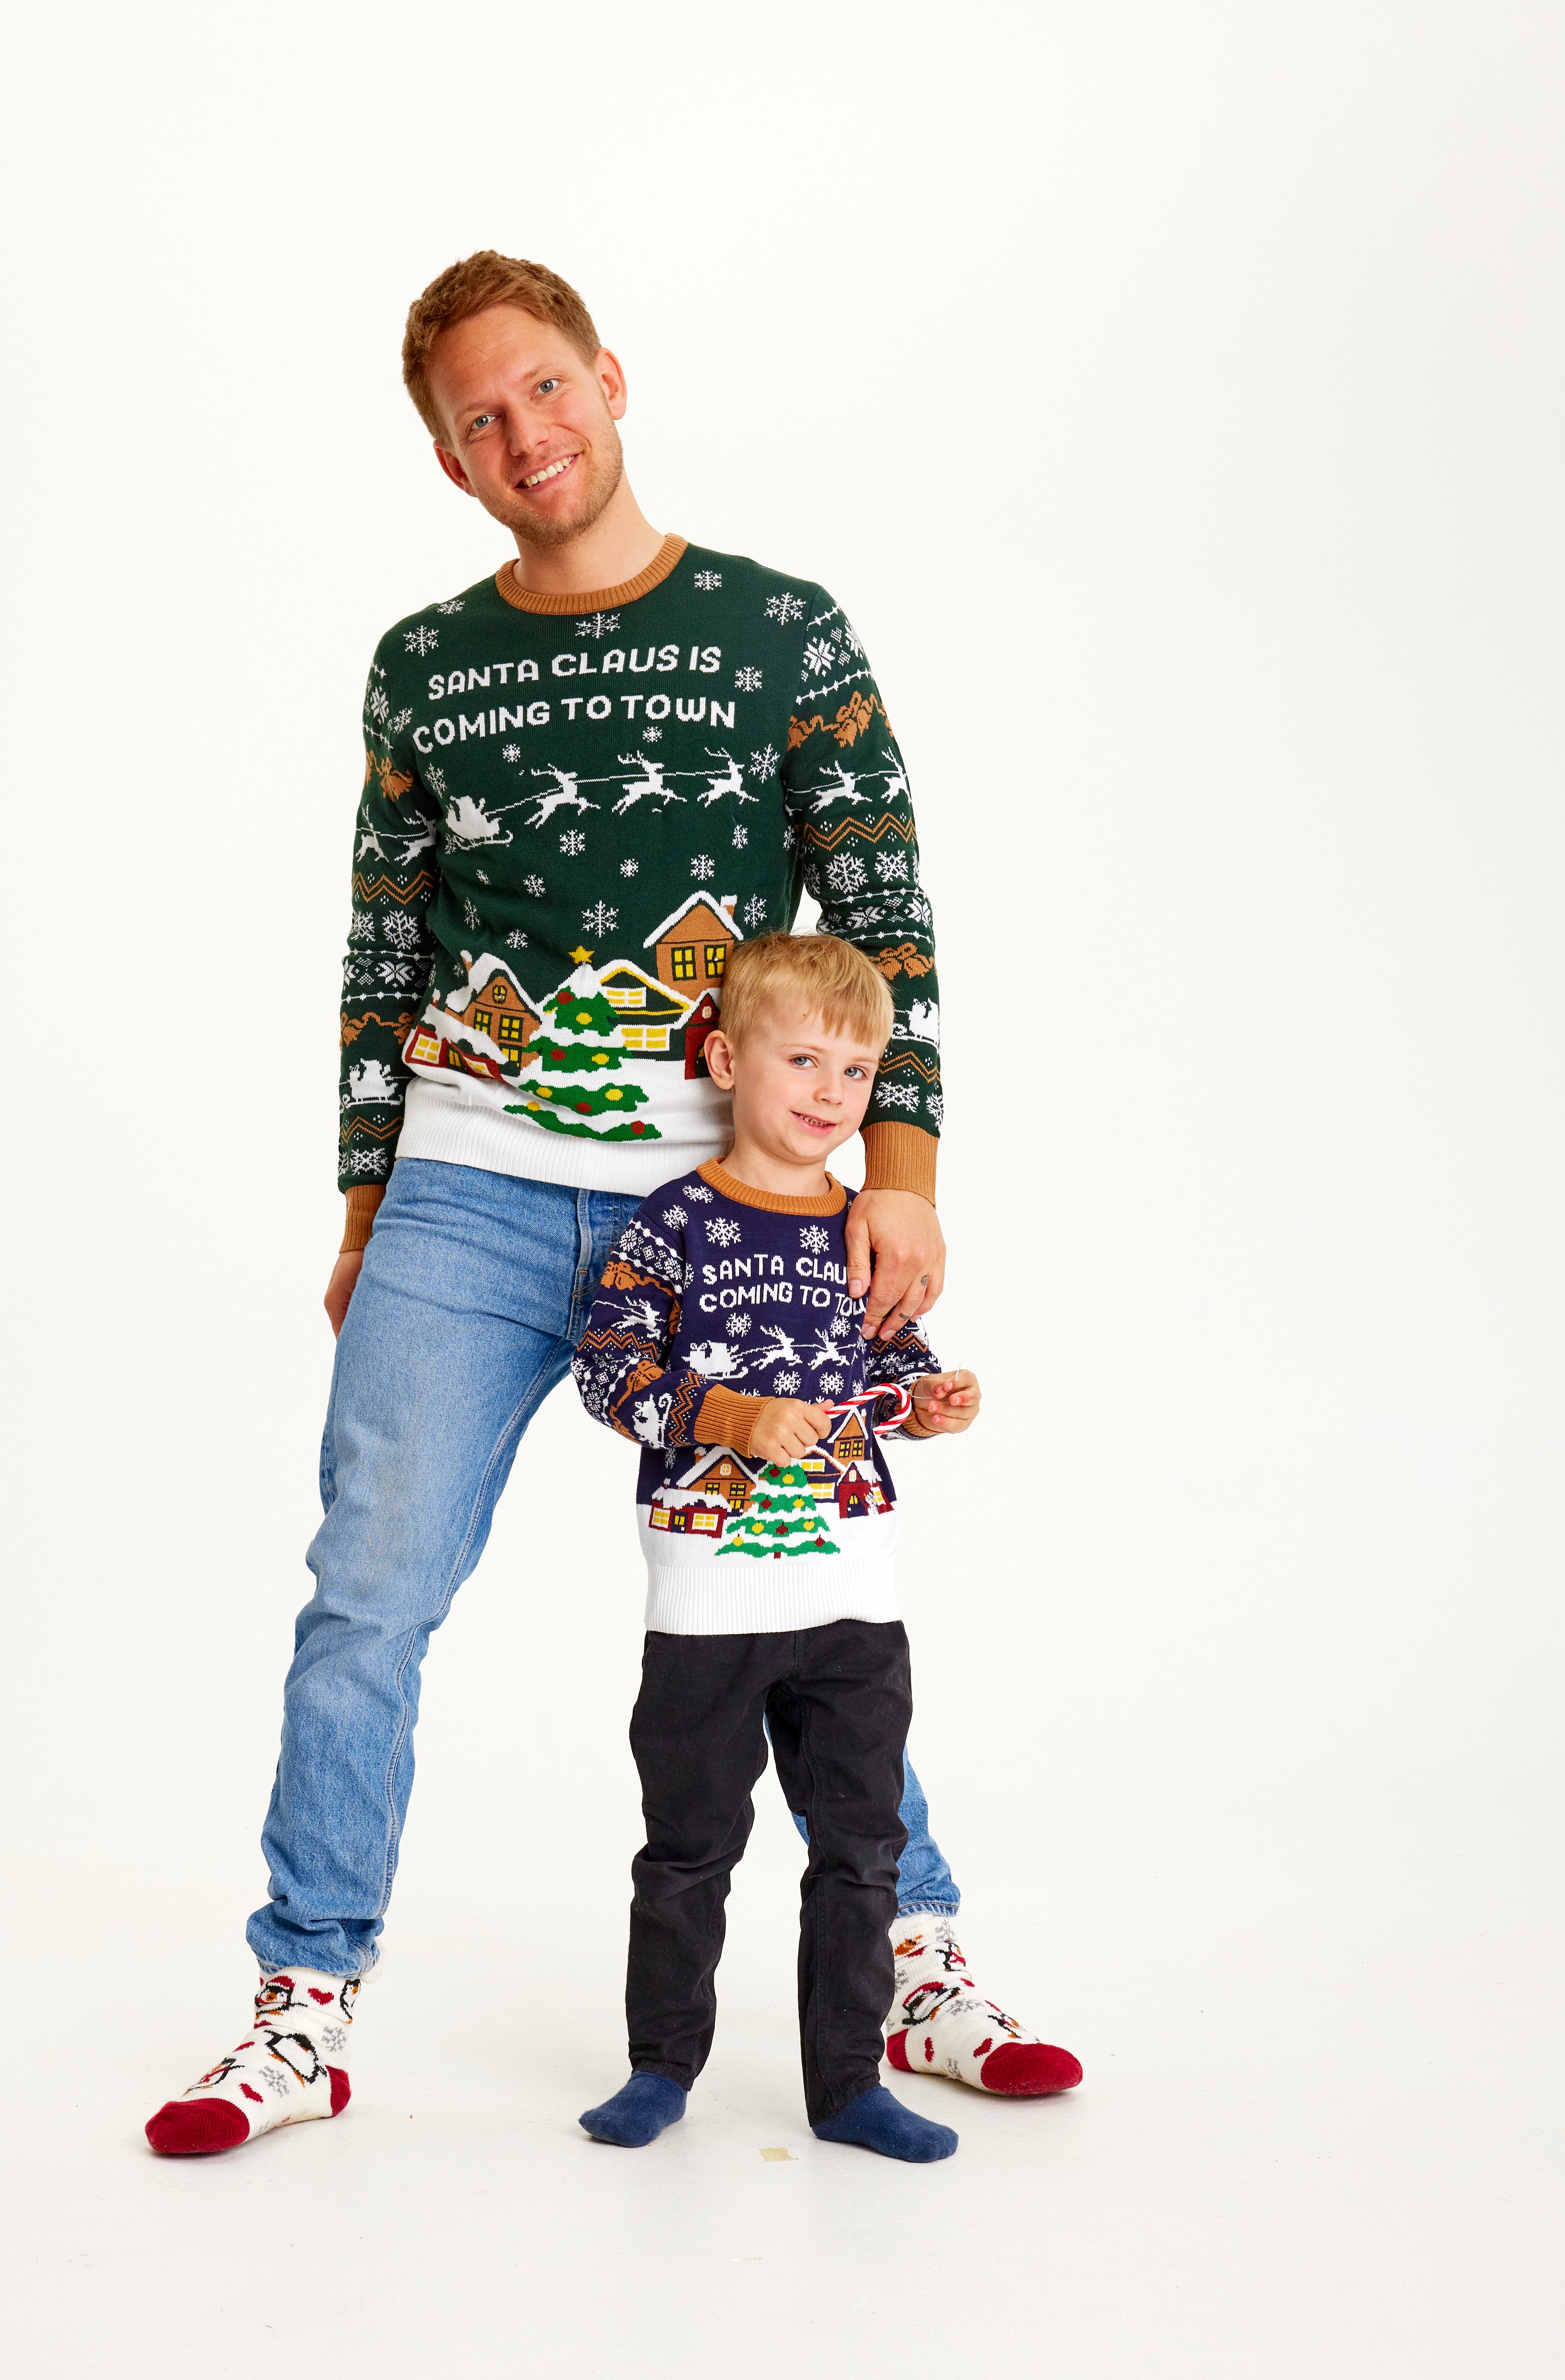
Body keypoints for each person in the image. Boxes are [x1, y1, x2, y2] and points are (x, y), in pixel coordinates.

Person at [143, 250, 1081, 2159]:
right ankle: (304, 2002)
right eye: (479, 420)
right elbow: (385, 946)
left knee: (805, 1583)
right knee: (368, 1592)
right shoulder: (424, 665)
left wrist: (898, 1173)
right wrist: (364, 1211)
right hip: (468, 1192)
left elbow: (883, 911)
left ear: (612, 378)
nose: (525, 435)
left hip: (732, 1189)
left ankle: (910, 1957)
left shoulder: (779, 630)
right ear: (448, 461)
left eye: (545, 389)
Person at [575, 933, 980, 2162]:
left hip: (853, 1599)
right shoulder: (672, 1222)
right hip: (710, 1602)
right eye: (802, 1059)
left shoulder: (867, 1229)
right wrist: (731, 1418)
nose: (829, 1093)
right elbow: (608, 1374)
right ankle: (660, 2069)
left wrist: (927, 1400)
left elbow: (890, 1363)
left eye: (855, 1072)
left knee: (861, 1852)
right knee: (688, 1852)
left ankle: (849, 2085)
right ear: (724, 1060)